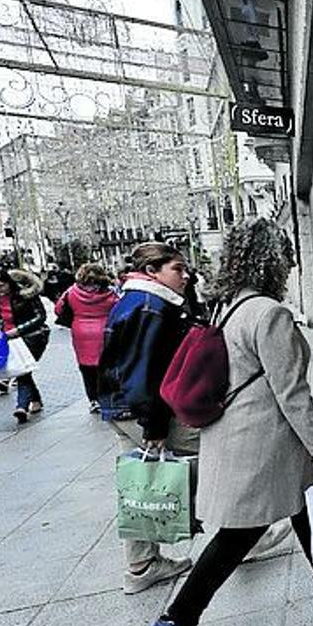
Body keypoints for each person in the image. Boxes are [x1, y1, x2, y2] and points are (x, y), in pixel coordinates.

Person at [138, 219, 313, 626]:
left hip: (246, 434)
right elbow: (292, 392)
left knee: (304, 501)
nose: (289, 262)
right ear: (272, 259)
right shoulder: (269, 313)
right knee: (237, 535)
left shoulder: (229, 306)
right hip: (262, 441)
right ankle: (173, 624)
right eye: (285, 254)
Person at [98, 243, 197, 594]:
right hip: (138, 407)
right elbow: (144, 369)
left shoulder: (139, 300)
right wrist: (154, 423)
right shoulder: (150, 306)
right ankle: (243, 534)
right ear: (152, 271)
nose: (185, 276)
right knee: (210, 452)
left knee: (137, 479)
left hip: (122, 406)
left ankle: (141, 566)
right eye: (177, 269)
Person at [0, 268, 50, 423]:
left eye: (1, 286)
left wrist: (19, 330)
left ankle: (21, 406)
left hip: (31, 337)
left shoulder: (25, 294)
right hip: (5, 338)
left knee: (22, 371)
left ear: (9, 282)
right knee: (23, 370)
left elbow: (40, 316)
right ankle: (35, 400)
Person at [55, 263, 118, 413]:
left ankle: (93, 399)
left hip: (81, 333)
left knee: (86, 368)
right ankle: (108, 396)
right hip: (105, 331)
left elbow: (58, 309)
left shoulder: (71, 293)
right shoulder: (110, 294)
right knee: (106, 366)